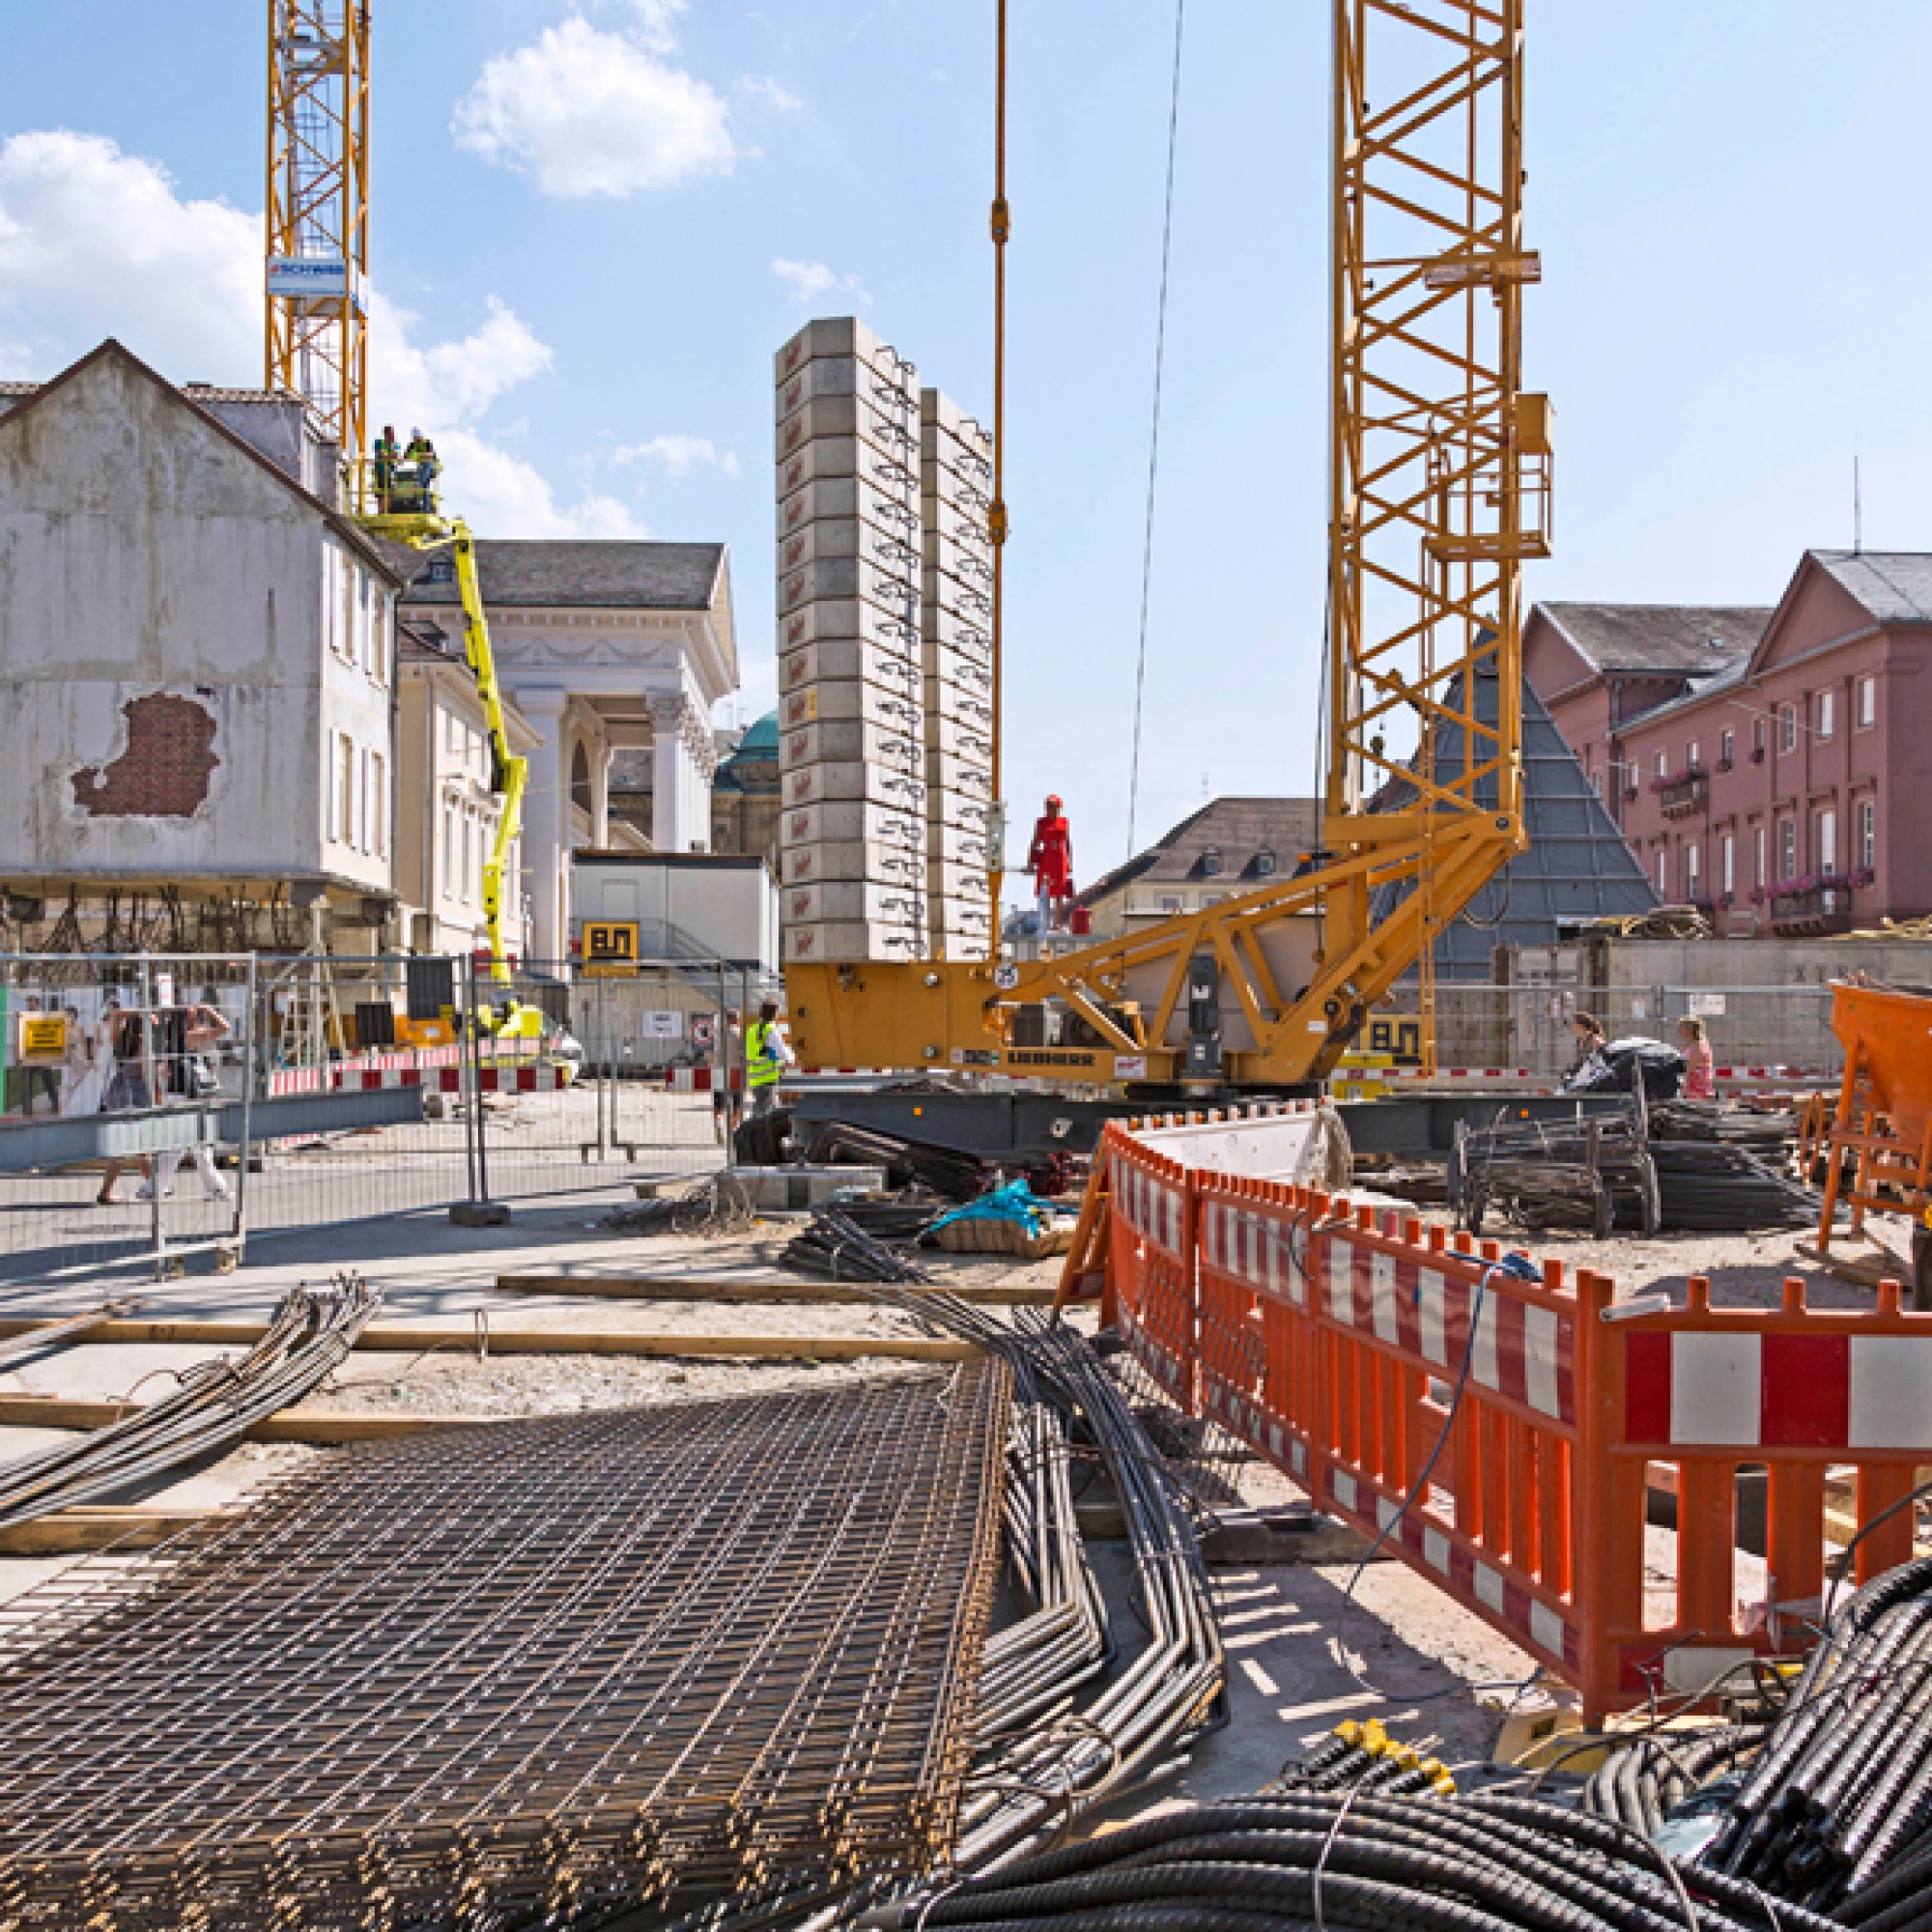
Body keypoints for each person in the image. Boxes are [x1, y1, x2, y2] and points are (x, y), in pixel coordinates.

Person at [143, 1003, 234, 1204]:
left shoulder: (168, 1039)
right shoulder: (191, 1037)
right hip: (189, 1096)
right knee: (189, 1146)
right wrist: (209, 1010)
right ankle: (156, 1187)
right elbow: (225, 1028)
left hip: (175, 1093)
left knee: (188, 1146)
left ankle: (155, 1186)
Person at [96, 1007, 153, 1206]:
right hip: (136, 1094)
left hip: (118, 1092)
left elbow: (116, 1014)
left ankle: (152, 1185)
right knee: (141, 1144)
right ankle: (151, 1186)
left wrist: (137, 1012)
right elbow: (147, 1074)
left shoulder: (119, 1041)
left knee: (133, 1145)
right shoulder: (143, 1046)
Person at [1027, 793, 1074, 934]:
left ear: (1058, 808)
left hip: (1060, 857)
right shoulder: (1041, 823)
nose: (1049, 809)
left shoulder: (1064, 822)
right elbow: (1035, 842)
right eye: (1047, 806)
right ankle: (1045, 922)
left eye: (1052, 806)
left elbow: (1068, 842)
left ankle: (1057, 923)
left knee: (1060, 891)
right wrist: (1030, 861)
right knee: (1045, 890)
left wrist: (1070, 861)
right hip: (1047, 857)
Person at [745, 1001, 794, 1121]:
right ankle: (756, 1137)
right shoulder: (770, 1030)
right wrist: (791, 1058)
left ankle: (753, 1136)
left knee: (759, 1112)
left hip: (755, 1078)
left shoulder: (752, 1030)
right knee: (766, 1115)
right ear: (775, 1013)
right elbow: (781, 1052)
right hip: (767, 1078)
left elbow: (763, 1052)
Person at [58, 1005, 99, 1117]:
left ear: (74, 1016)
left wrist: (86, 1059)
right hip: (67, 1059)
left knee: (78, 1083)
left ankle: (76, 1109)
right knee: (66, 1083)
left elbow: (84, 1045)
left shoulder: (80, 1029)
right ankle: (64, 1109)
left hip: (78, 1057)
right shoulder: (62, 1029)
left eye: (69, 1015)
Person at [1679, 1014, 1716, 1100]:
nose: (1680, 1031)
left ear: (1689, 1030)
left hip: (1699, 1090)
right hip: (1690, 1089)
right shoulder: (1690, 1044)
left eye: (1682, 1028)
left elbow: (1690, 1067)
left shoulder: (1699, 1045)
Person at [373, 424, 400, 512]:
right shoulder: (378, 442)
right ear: (385, 434)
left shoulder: (396, 445)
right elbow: (381, 455)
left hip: (391, 471)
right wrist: (391, 456)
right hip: (380, 470)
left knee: (391, 492)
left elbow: (397, 457)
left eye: (393, 433)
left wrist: (391, 449)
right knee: (380, 493)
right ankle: (381, 511)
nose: (393, 435)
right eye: (391, 433)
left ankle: (387, 510)